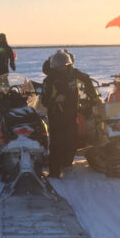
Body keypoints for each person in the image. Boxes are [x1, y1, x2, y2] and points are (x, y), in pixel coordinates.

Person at [40, 50, 99, 178]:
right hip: (56, 116)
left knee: (72, 140)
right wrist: (55, 100)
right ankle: (54, 171)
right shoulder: (49, 80)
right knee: (56, 143)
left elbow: (87, 79)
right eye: (59, 65)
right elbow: (44, 100)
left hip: (72, 114)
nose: (62, 67)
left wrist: (93, 96)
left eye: (64, 64)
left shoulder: (73, 73)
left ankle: (66, 163)